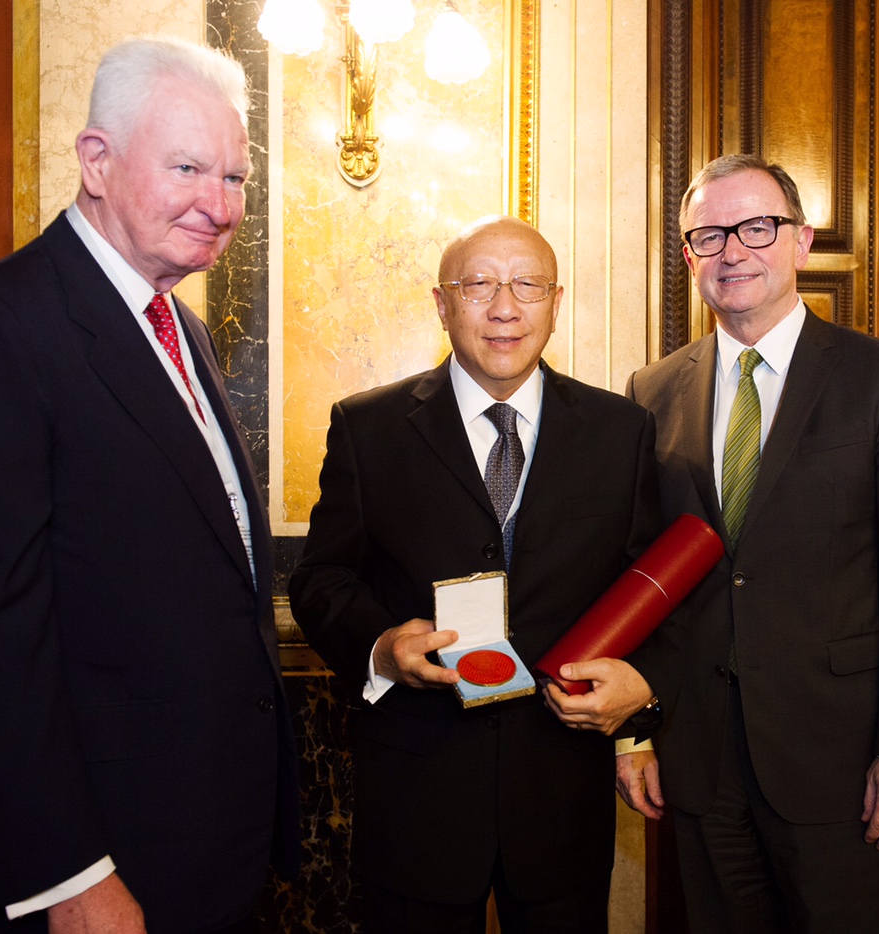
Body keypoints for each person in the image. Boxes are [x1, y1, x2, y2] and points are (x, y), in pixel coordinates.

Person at [0, 36, 298, 934]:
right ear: (96, 162)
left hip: (208, 847)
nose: (220, 205)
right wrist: (68, 877)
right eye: (188, 168)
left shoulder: (181, 329)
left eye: (234, 177)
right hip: (99, 867)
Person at [546, 154, 879, 932]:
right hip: (699, 763)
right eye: (709, 235)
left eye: (758, 227)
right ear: (688, 258)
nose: (733, 250)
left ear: (801, 241)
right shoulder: (652, 391)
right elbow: (640, 576)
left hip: (842, 764)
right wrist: (634, 736)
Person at [288, 215, 662, 934]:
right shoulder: (368, 427)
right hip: (417, 795)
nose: (504, 308)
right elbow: (320, 577)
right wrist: (382, 646)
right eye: (479, 285)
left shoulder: (621, 431)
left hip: (561, 796)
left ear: (556, 302)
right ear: (441, 303)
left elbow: (645, 590)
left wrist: (640, 706)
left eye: (527, 285)